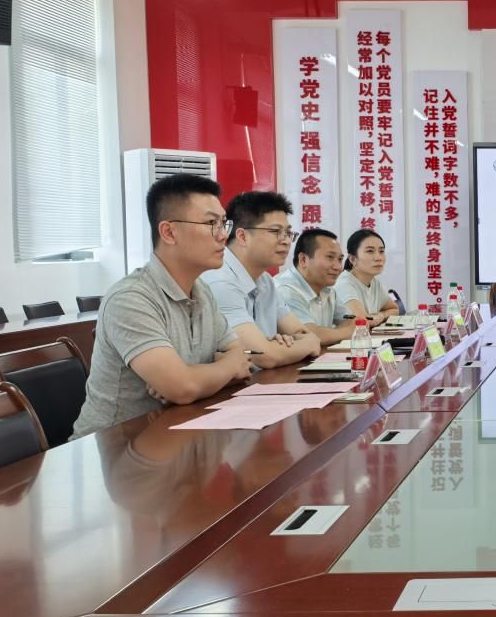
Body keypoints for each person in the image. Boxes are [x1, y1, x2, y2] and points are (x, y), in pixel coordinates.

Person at [71, 175, 253, 437]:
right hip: (114, 446)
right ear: (168, 232)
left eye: (223, 223)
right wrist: (215, 372)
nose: (224, 235)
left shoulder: (202, 291)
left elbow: (241, 360)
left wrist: (196, 378)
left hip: (177, 434)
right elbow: (184, 387)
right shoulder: (130, 298)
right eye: (211, 223)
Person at [201, 191, 322, 368]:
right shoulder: (219, 280)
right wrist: (300, 346)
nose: (286, 241)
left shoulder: (265, 280)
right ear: (242, 236)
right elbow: (263, 356)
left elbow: (301, 333)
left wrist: (284, 346)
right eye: (276, 231)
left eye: (288, 233)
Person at [275, 228, 356, 348]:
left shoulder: (328, 289)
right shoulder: (286, 290)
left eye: (340, 259)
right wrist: (346, 332)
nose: (338, 267)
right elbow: (310, 336)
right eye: (330, 257)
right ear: (303, 260)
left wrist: (329, 334)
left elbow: (352, 320)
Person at [335, 230, 403, 325]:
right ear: (353, 259)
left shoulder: (374, 282)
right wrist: (374, 318)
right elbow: (362, 321)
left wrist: (381, 315)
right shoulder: (344, 284)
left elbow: (394, 309)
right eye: (370, 251)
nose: (378, 258)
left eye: (381, 251)